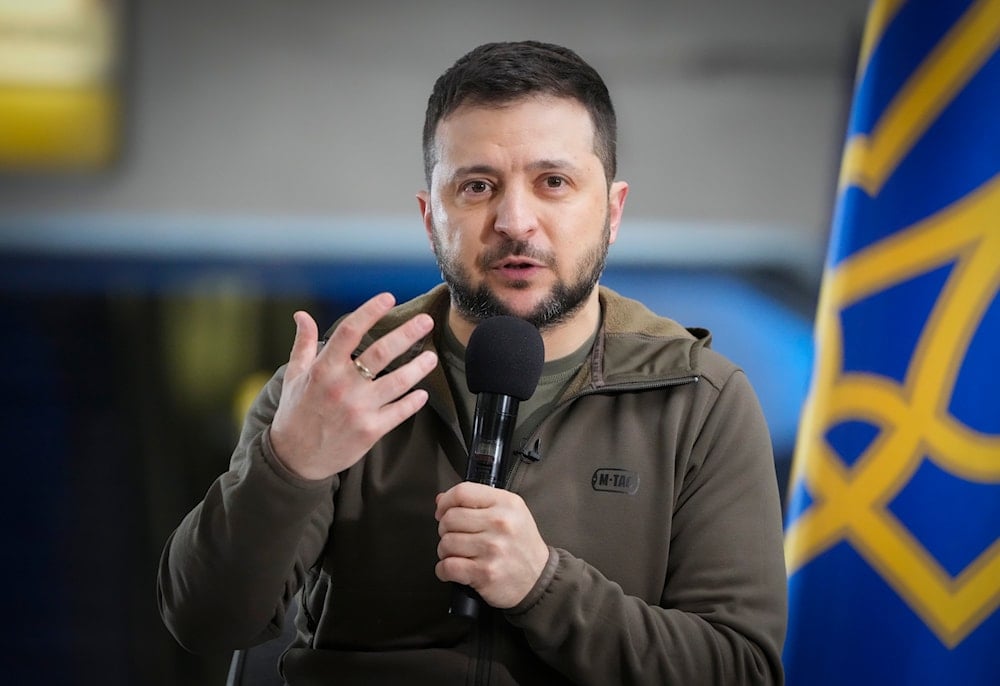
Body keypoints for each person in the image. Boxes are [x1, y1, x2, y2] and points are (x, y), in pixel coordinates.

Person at [157, 40, 787, 685]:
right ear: (432, 219)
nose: (515, 221)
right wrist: (289, 466)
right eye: (478, 186)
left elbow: (739, 670)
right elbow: (204, 623)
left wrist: (544, 586)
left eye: (554, 183)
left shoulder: (700, 399)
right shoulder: (336, 384)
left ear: (613, 211)